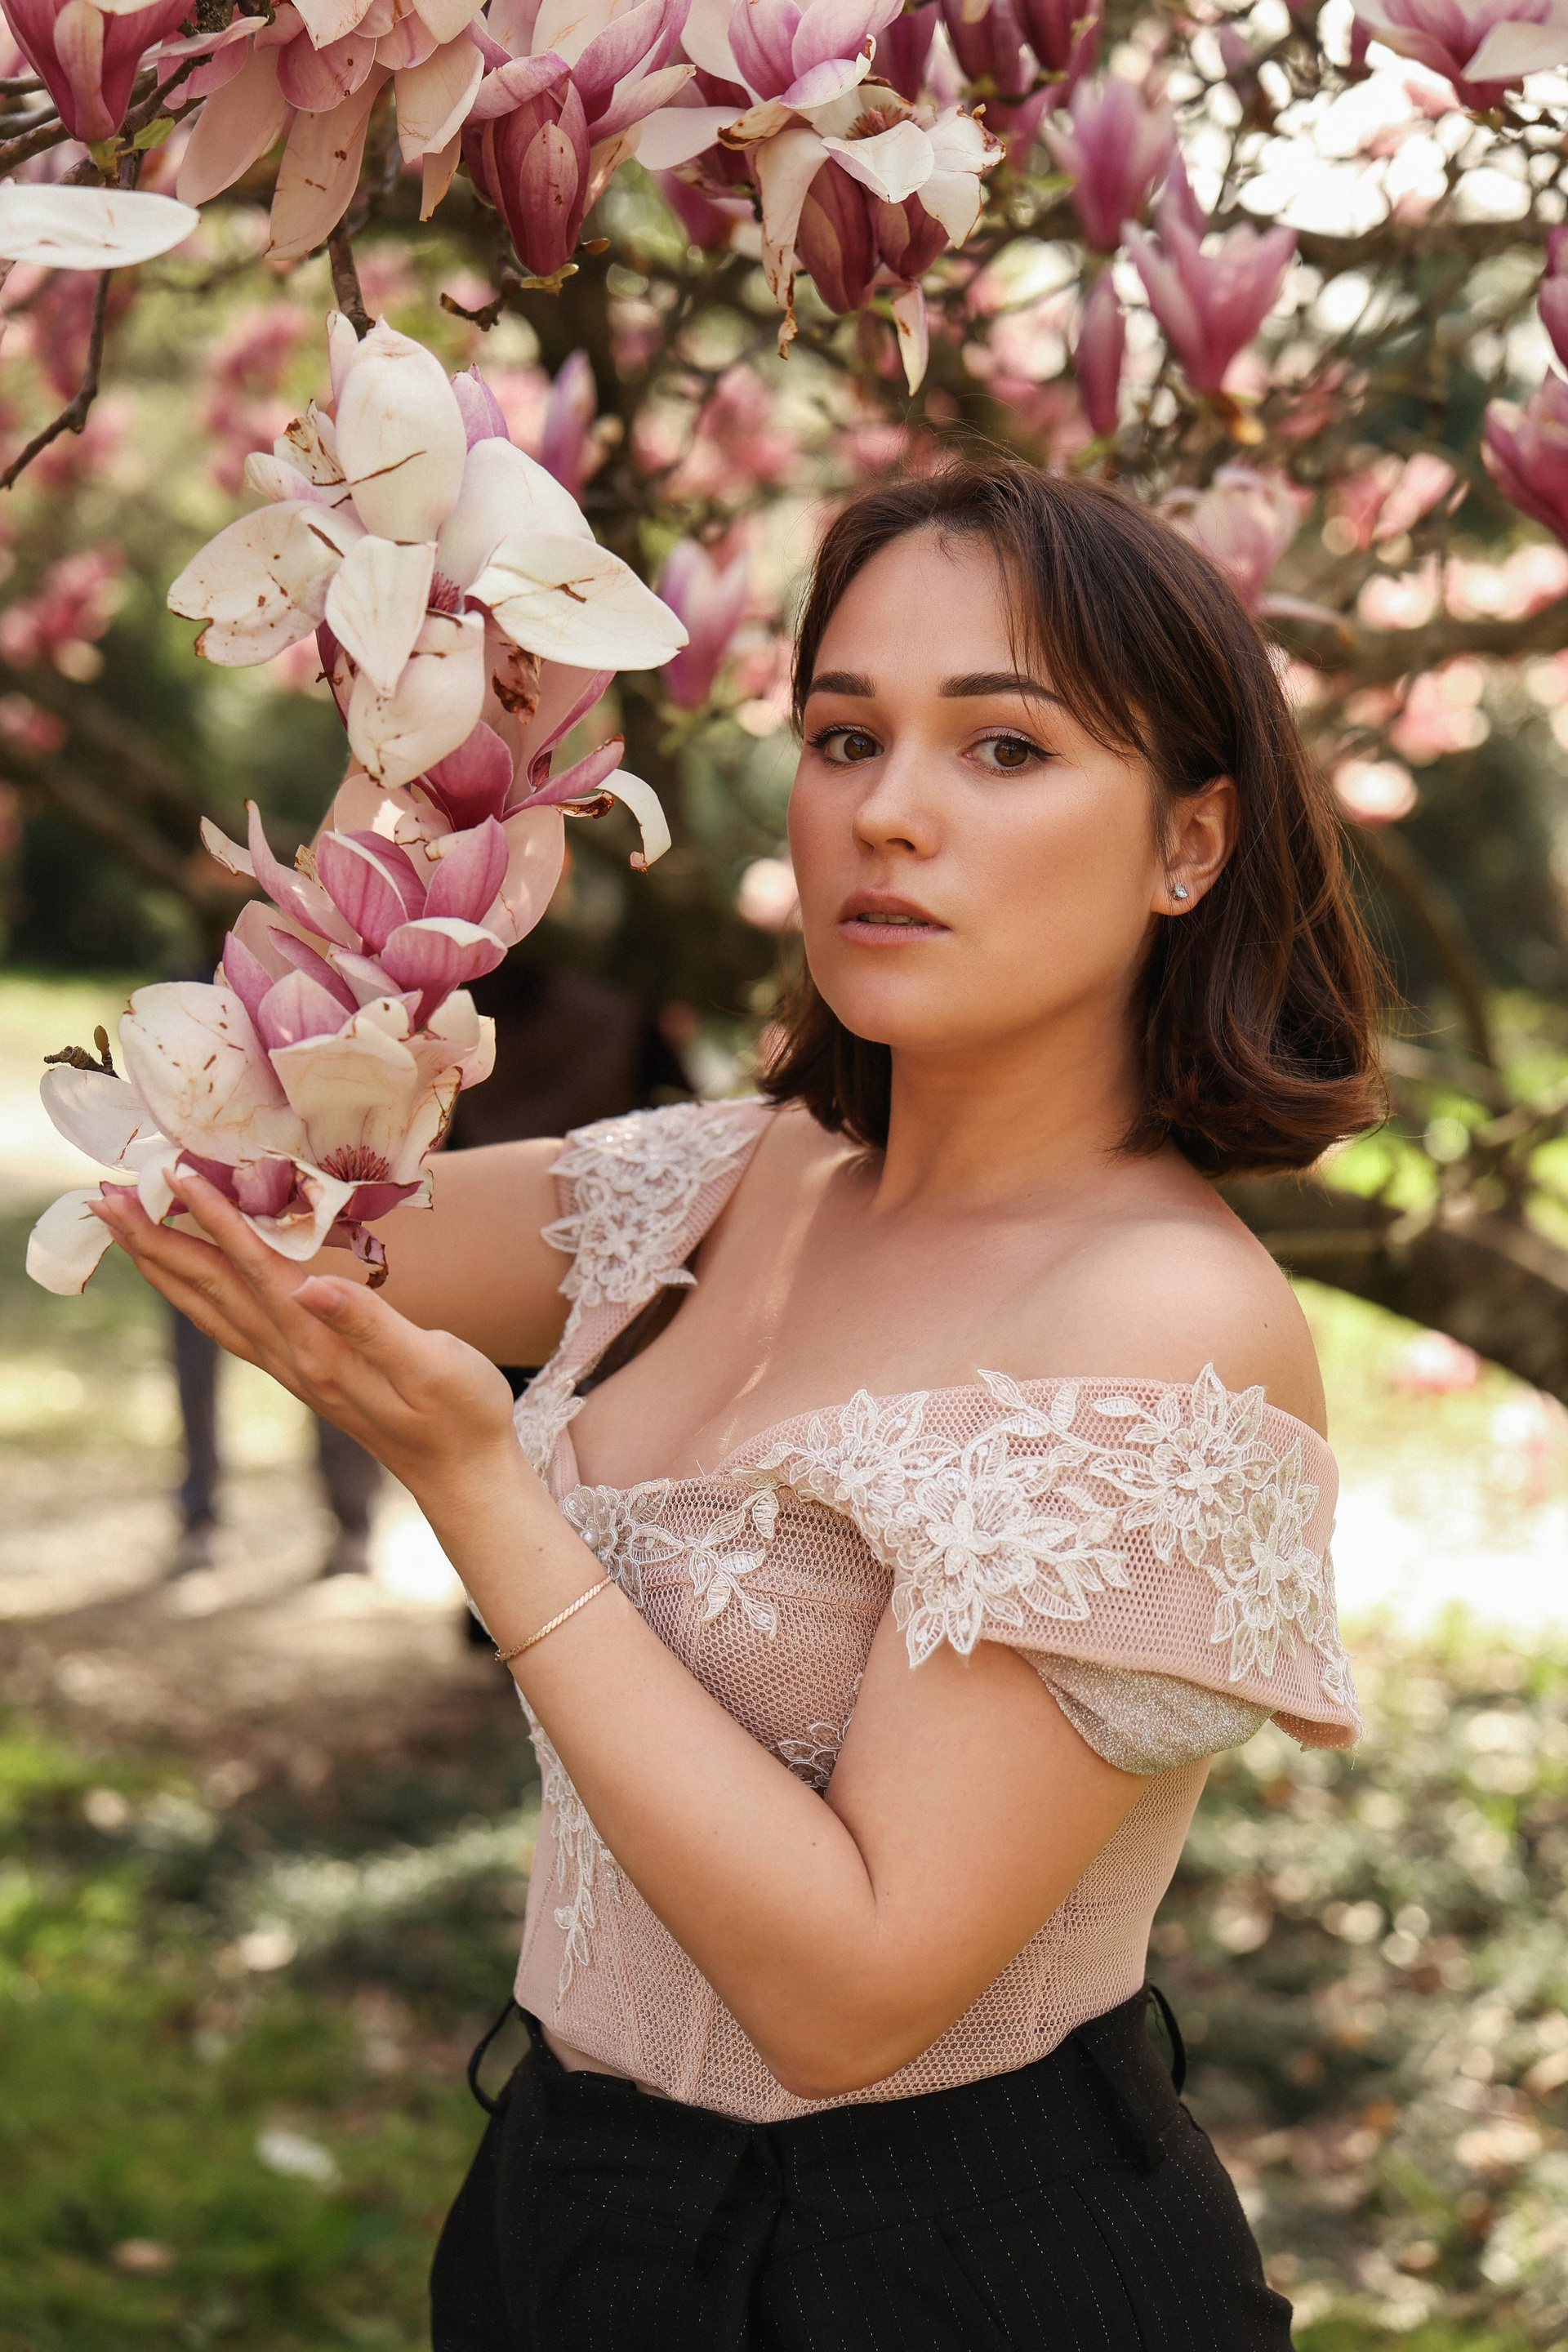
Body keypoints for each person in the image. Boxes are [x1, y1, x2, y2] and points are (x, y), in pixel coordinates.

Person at [91, 459, 1383, 2350]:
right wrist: (428, 746)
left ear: (1189, 844)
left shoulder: (1162, 1319)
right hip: (563, 2212)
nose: (889, 813)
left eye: (1004, 749)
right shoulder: (723, 1185)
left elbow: (852, 1998)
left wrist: (479, 1488)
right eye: (845, 737)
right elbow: (235, 1180)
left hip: (948, 2275)